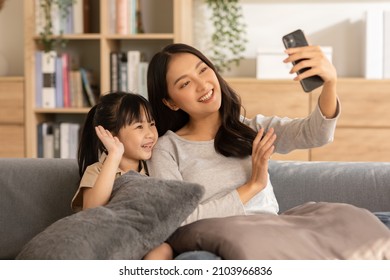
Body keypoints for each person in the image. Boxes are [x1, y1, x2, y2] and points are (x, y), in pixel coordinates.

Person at [146, 43, 340, 226]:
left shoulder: (252, 129)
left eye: (203, 70)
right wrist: (253, 185)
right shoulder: (167, 149)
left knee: (351, 220)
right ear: (170, 102)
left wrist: (330, 83)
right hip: (217, 241)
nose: (202, 85)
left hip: (272, 233)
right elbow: (176, 219)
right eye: (185, 83)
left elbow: (315, 134)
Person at [71, 92, 173, 260]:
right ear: (111, 135)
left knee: (163, 250)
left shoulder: (155, 169)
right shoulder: (97, 171)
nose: (150, 134)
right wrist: (114, 155)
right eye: (139, 127)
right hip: (106, 244)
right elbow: (91, 211)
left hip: (143, 243)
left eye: (152, 124)